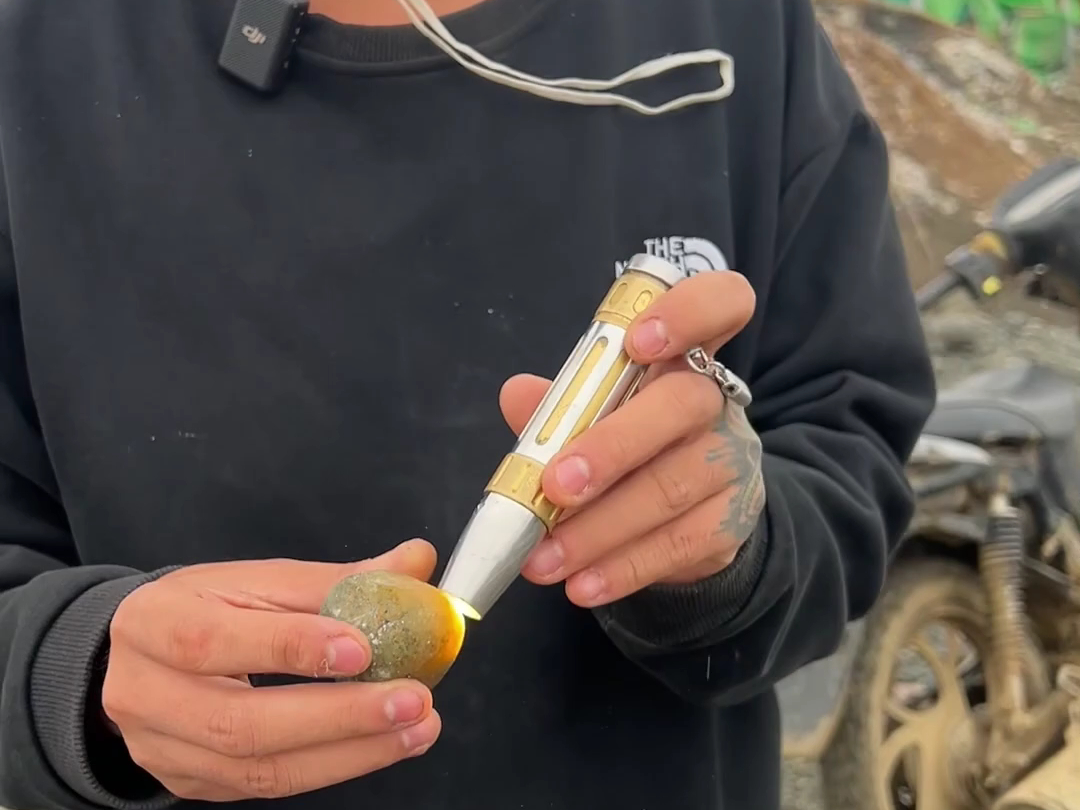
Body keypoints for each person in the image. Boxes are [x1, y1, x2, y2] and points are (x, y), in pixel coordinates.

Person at [0, 0, 935, 808]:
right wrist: (70, 671)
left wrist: (724, 545)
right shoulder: (32, 61)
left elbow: (852, 444)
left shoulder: (738, 31)